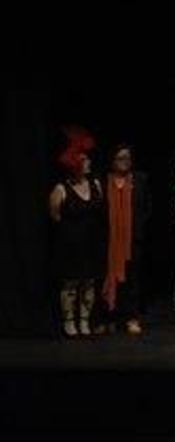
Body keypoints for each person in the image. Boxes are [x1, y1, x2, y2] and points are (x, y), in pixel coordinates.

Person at [48, 129, 106, 338]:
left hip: (92, 242)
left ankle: (84, 320)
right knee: (71, 283)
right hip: (70, 244)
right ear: (74, 164)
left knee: (89, 282)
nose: (88, 162)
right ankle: (69, 321)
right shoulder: (61, 189)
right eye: (83, 159)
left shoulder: (96, 184)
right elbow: (55, 216)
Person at [100, 145, 150, 336]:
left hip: (132, 240)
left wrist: (138, 228)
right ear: (112, 161)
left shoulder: (140, 179)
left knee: (132, 281)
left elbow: (147, 207)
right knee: (107, 278)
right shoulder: (103, 181)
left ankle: (131, 318)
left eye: (127, 158)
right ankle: (109, 317)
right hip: (109, 240)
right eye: (120, 158)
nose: (124, 161)